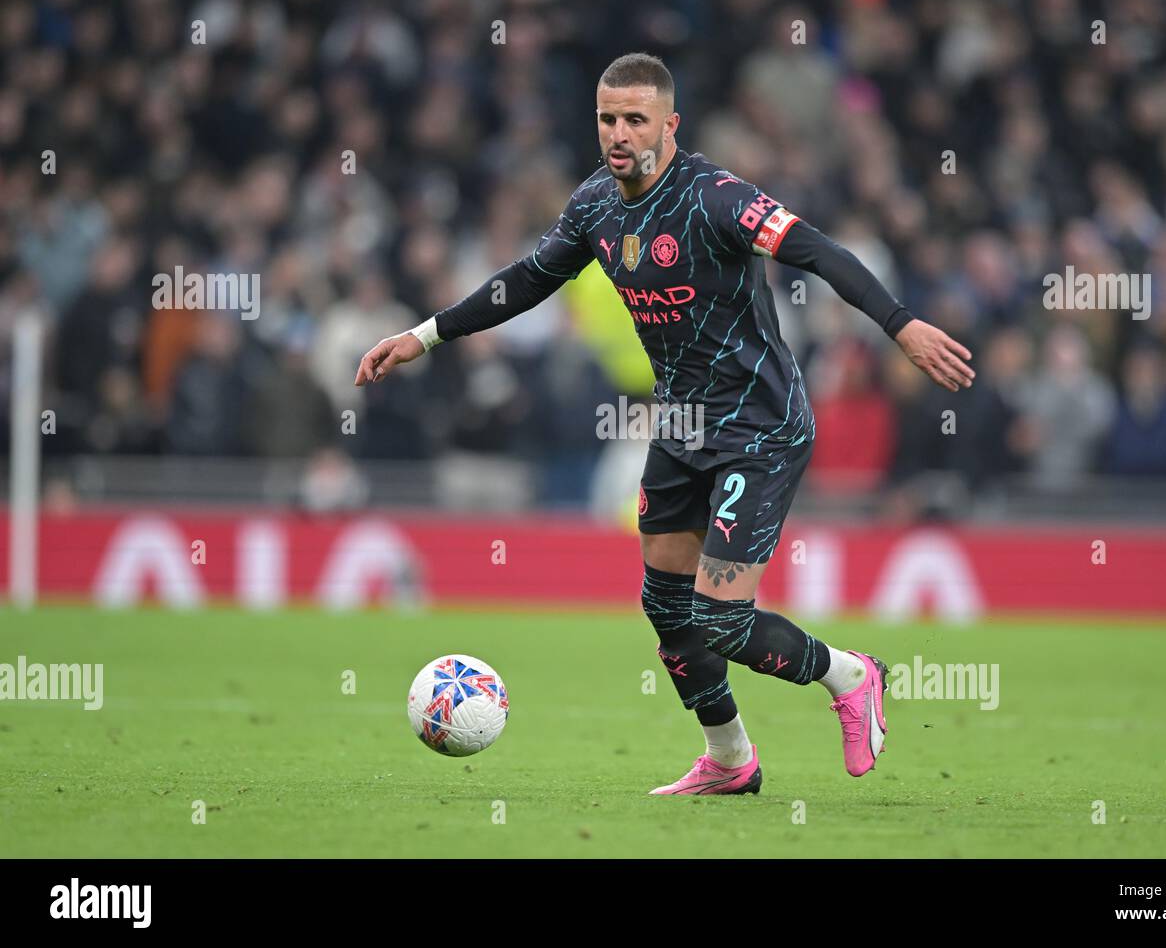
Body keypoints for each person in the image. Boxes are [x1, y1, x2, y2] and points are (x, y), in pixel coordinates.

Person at [355, 53, 974, 795]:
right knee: (664, 605)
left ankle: (852, 674)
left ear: (669, 124)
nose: (618, 133)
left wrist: (900, 326)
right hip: (681, 426)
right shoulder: (594, 207)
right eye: (607, 118)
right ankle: (729, 760)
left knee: (720, 619)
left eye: (635, 119)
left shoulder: (714, 197)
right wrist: (423, 336)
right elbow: (523, 281)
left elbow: (816, 250)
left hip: (760, 425)